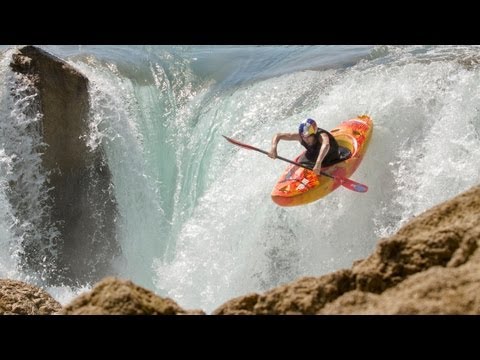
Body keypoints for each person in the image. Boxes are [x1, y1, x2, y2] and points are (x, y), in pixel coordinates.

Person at [268, 118, 342, 175]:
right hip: (315, 155)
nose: (305, 139)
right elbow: (278, 135)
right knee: (301, 162)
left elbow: (326, 145)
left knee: (322, 161)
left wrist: (318, 163)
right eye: (303, 137)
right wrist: (273, 148)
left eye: (307, 137)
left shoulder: (321, 135)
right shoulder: (300, 136)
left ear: (314, 134)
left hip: (331, 156)